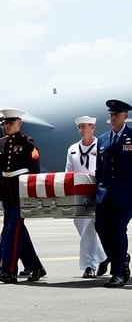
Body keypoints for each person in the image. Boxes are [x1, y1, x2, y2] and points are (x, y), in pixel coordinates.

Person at [0, 109, 46, 284]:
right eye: (5, 123)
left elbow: (34, 173)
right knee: (17, 230)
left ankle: (9, 270)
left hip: (21, 193)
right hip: (7, 193)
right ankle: (36, 267)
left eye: (11, 123)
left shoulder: (28, 143)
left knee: (12, 230)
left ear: (19, 123)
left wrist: (32, 196)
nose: (7, 126)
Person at [94, 99, 132, 288]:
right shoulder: (102, 140)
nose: (113, 118)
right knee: (101, 228)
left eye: (116, 114)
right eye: (111, 114)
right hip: (105, 194)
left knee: (118, 231)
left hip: (126, 195)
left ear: (125, 116)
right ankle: (120, 257)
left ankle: (117, 274)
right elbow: (99, 170)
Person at [65, 116, 107, 278]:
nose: (82, 130)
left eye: (85, 126)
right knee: (82, 228)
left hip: (95, 192)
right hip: (78, 195)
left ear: (92, 127)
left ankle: (89, 265)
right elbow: (69, 173)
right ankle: (103, 257)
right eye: (79, 127)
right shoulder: (73, 149)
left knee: (89, 227)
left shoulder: (101, 145)